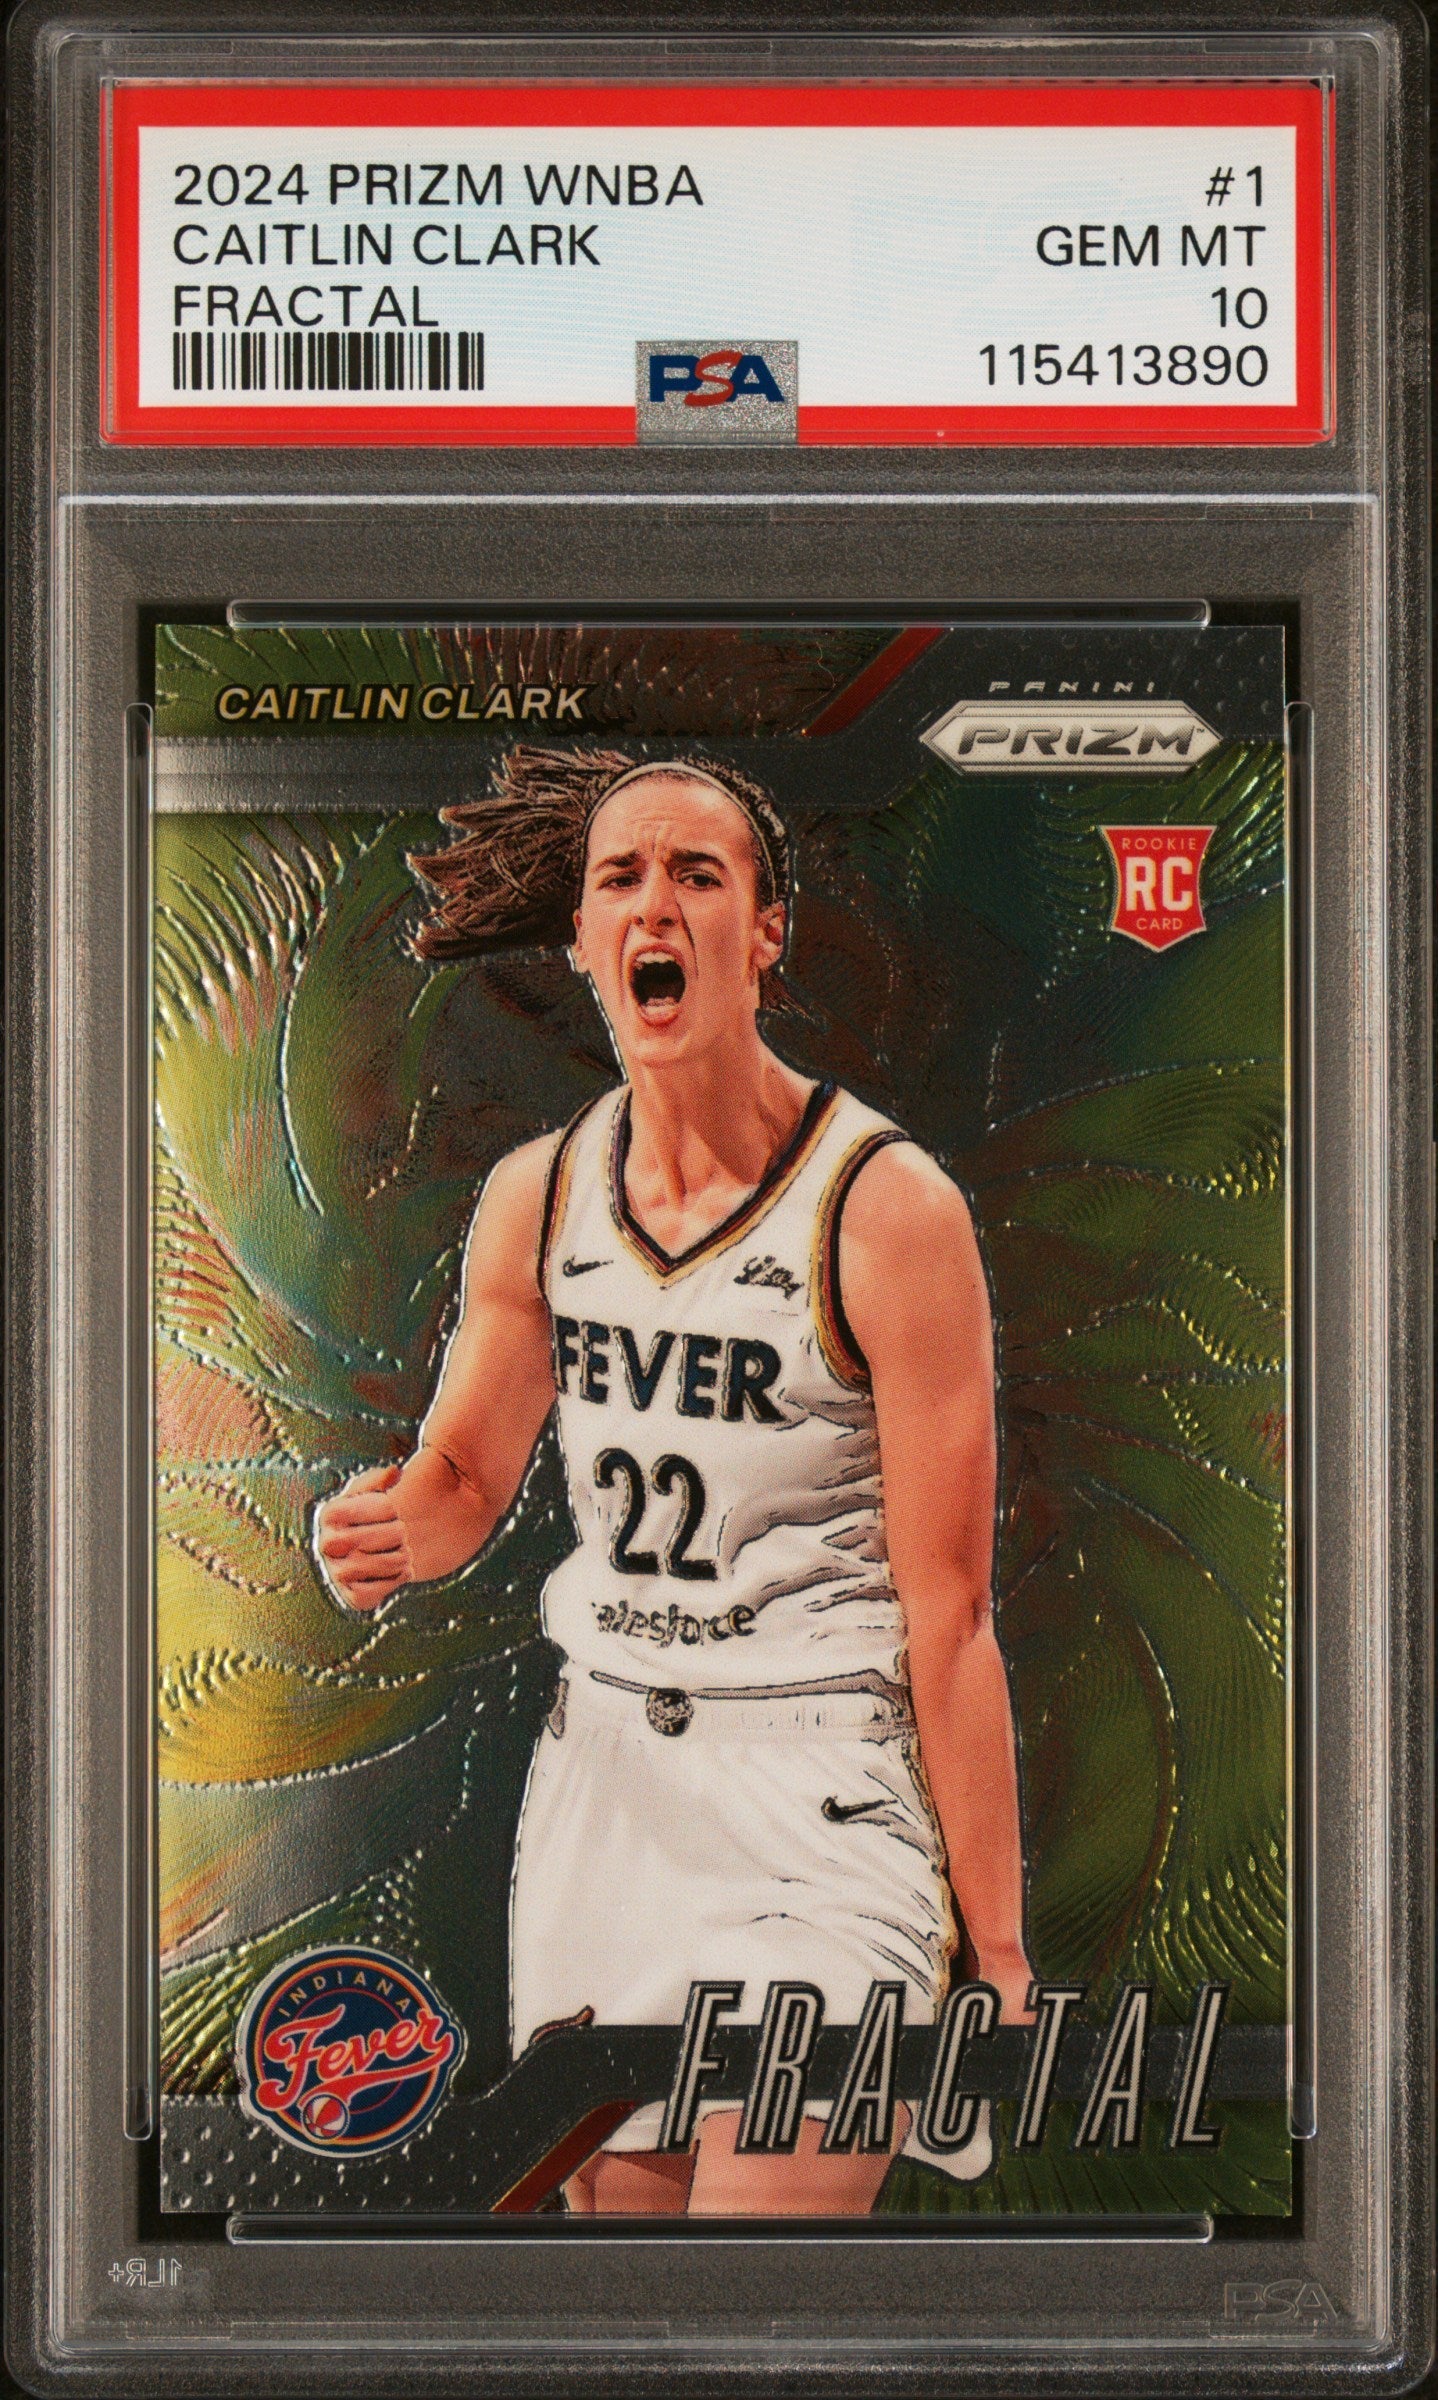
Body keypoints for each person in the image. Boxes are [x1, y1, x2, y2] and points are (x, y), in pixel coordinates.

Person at [314, 745, 1033, 2216]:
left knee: (750, 2290)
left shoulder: (886, 1209)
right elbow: (464, 1477)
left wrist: (1002, 1945)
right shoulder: (539, 1193)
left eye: (697, 874)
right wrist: (394, 1528)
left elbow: (950, 1613)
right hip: (608, 1791)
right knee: (620, 2299)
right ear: (582, 939)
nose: (655, 904)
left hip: (820, 1791)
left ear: (764, 932)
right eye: (620, 878)